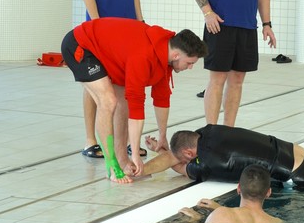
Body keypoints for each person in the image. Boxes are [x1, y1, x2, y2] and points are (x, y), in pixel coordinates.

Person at [61, 18, 207, 183]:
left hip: (109, 54)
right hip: (80, 45)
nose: (190, 67)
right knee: (108, 101)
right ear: (176, 55)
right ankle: (111, 166)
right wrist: (136, 154)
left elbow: (162, 99)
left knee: (123, 104)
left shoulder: (165, 55)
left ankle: (122, 160)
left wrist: (162, 136)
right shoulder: (143, 56)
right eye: (189, 63)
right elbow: (137, 107)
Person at [75, 0, 145, 159]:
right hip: (100, 26)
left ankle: (123, 141)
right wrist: (97, 24)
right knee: (94, 83)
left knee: (125, 84)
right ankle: (90, 140)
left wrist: (140, 22)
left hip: (127, 24)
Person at [140, 124, 304, 186]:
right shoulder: (209, 130)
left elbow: (177, 164)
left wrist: (161, 151)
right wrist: (164, 150)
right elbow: (176, 156)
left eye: (186, 157)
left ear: (188, 152)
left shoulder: (205, 165)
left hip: (301, 176)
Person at [179, 164, 283, 223]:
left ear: (238, 188)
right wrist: (220, 208)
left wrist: (195, 219)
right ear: (268, 192)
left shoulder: (220, 215)